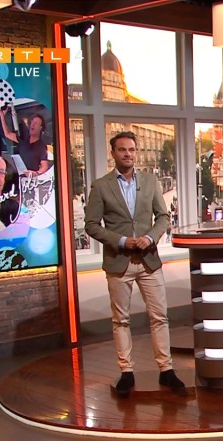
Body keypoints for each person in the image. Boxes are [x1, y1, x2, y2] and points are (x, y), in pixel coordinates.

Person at [84, 131, 186, 398]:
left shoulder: (150, 181)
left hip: (149, 260)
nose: (128, 154)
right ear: (113, 153)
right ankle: (126, 371)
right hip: (119, 262)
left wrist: (150, 237)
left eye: (131, 149)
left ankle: (166, 369)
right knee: (121, 319)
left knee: (159, 316)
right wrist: (121, 241)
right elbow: (91, 225)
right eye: (122, 150)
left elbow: (163, 217)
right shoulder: (101, 186)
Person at [0, 108, 51, 175]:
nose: (33, 124)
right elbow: (7, 134)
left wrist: (35, 173)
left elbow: (44, 166)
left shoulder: (42, 146)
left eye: (36, 123)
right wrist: (2, 117)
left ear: (41, 128)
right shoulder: (23, 139)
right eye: (32, 122)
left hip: (30, 179)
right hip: (19, 176)